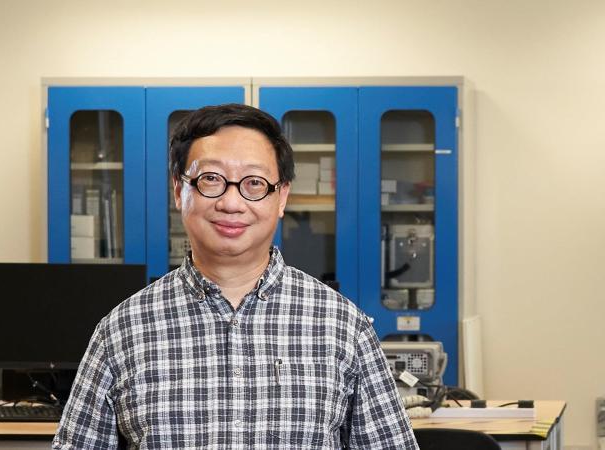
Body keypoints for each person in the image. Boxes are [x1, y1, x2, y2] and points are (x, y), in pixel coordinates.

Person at [53, 104, 418, 449]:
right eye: (211, 179)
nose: (231, 203)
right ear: (179, 190)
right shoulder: (122, 330)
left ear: (281, 197)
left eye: (254, 183)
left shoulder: (342, 326)